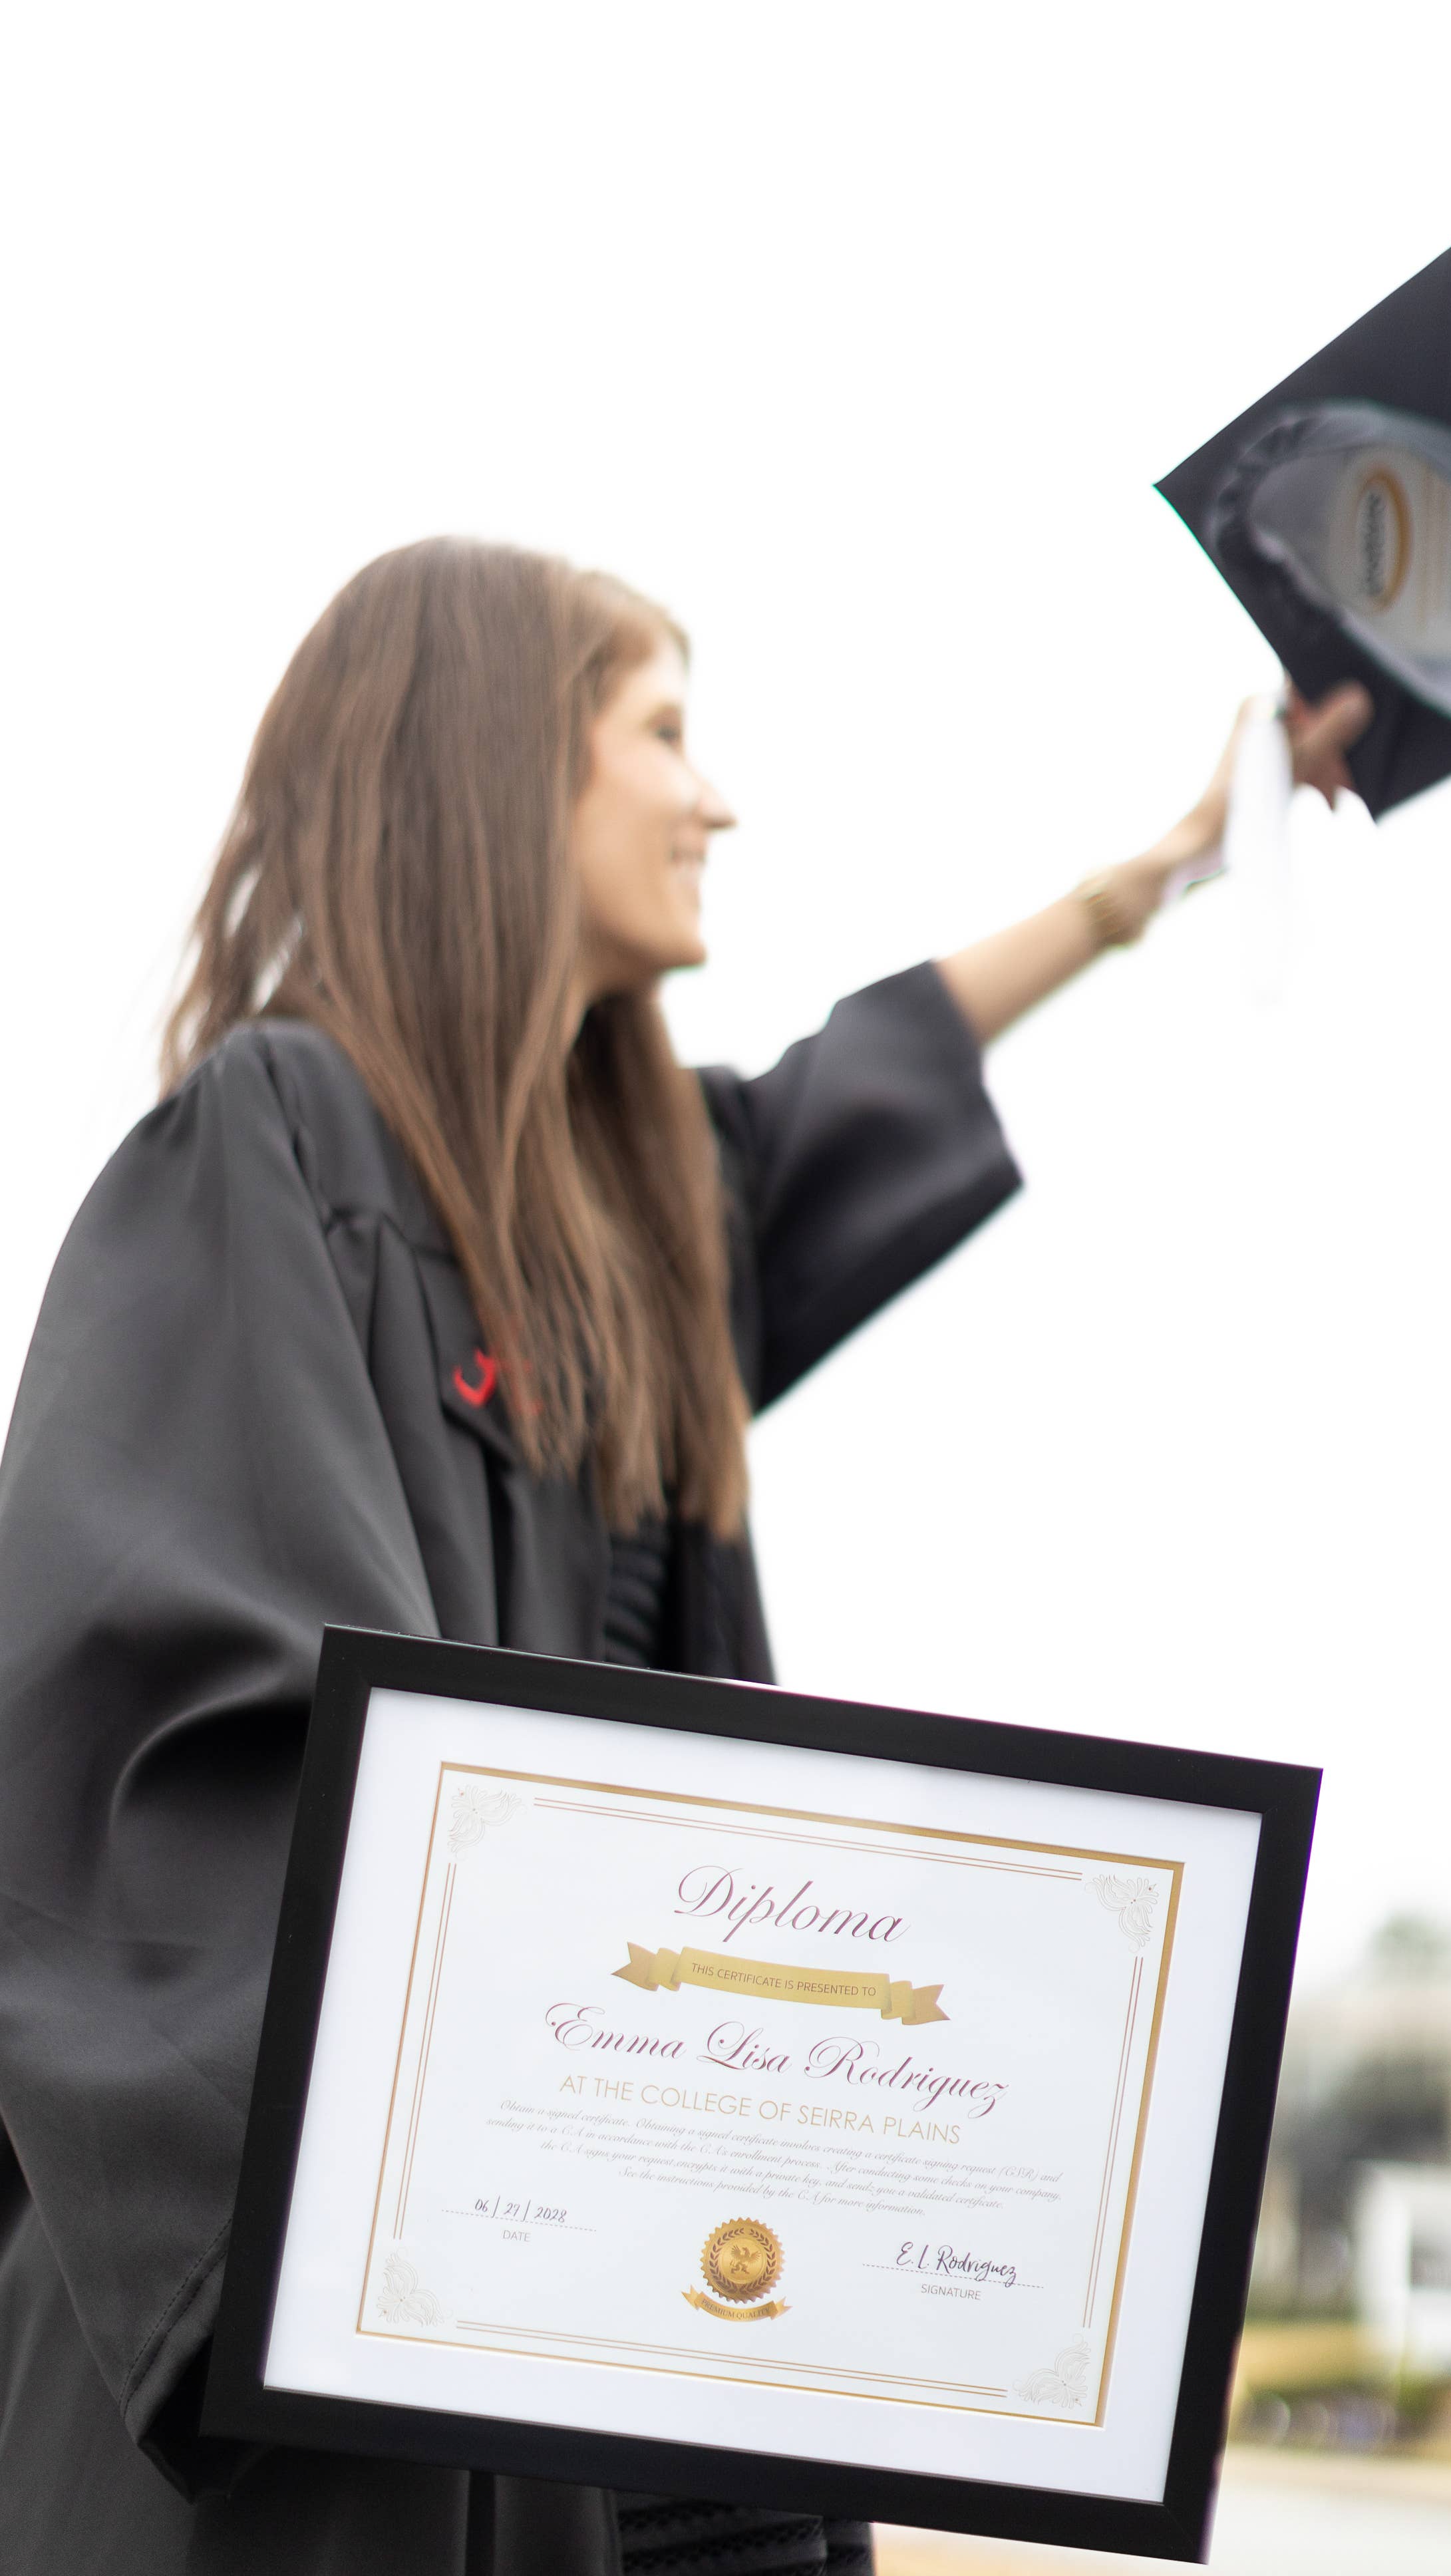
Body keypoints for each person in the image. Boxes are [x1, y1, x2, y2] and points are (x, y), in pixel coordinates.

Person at [0, 538, 1368, 2576]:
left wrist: (1167, 863)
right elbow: (171, 1733)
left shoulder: (636, 1227)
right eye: (660, 733)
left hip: (639, 2339)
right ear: (483, 770)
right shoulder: (276, 1149)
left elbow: (862, 1089)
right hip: (401, 2373)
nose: (713, 798)